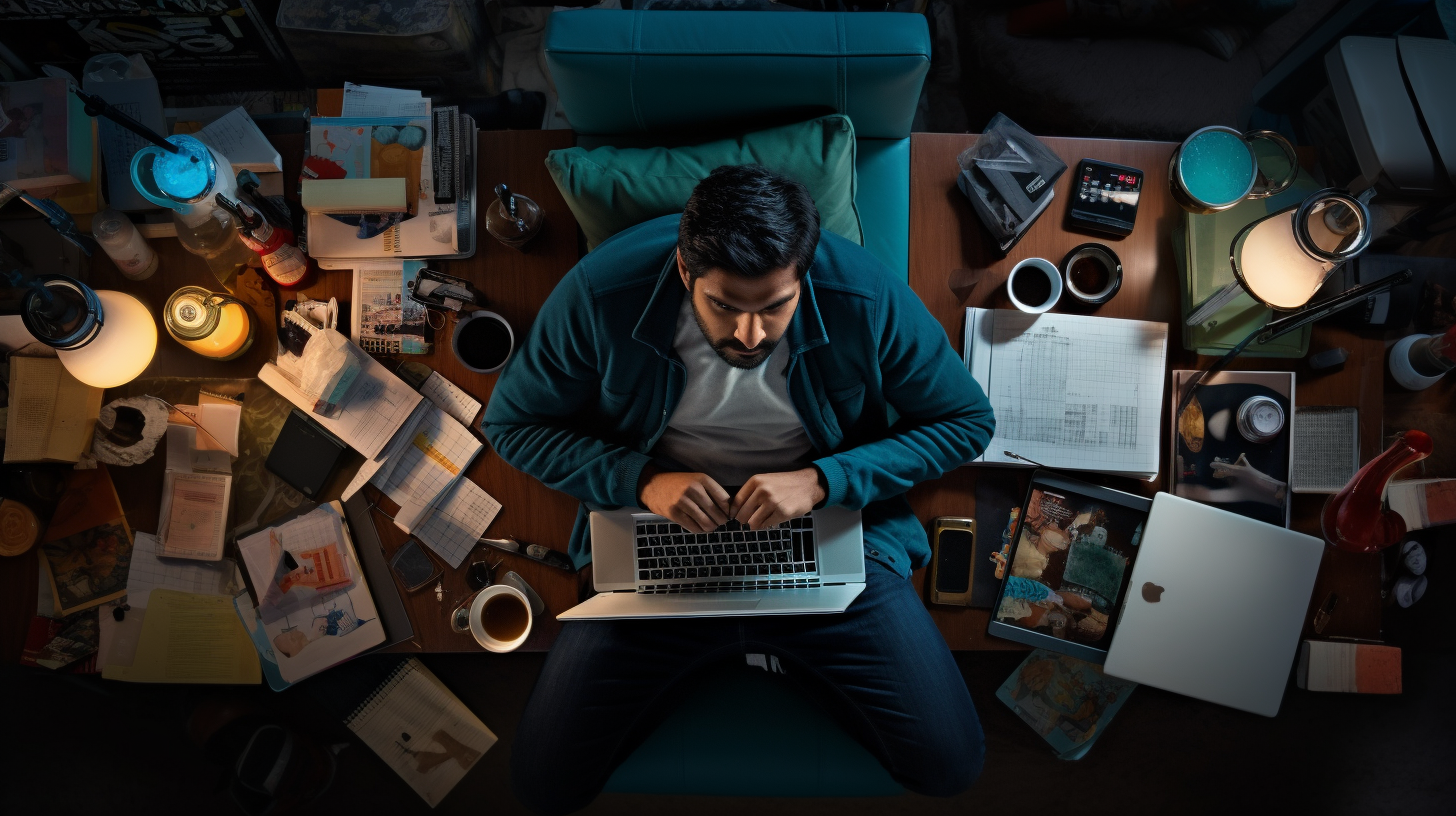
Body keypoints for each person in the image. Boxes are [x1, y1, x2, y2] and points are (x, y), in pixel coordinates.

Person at [483, 165, 996, 814]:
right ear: (683, 271)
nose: (748, 336)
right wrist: (642, 480)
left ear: (803, 278)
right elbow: (512, 424)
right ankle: (746, 651)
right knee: (543, 785)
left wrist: (822, 480)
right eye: (724, 305)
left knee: (950, 765)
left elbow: (966, 422)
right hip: (656, 538)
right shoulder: (600, 293)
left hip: (823, 532)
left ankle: (748, 652)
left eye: (775, 306)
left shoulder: (863, 294)